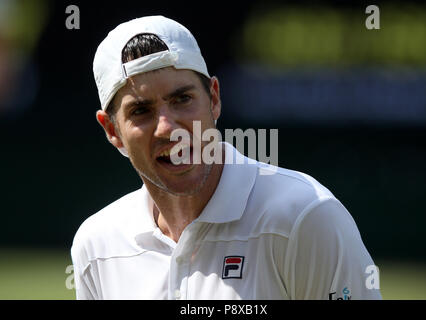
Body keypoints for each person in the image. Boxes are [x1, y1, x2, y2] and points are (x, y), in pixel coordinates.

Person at [71, 15, 382, 300]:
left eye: (182, 99)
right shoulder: (96, 245)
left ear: (214, 99)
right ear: (112, 129)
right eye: (141, 111)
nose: (167, 128)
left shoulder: (305, 216)